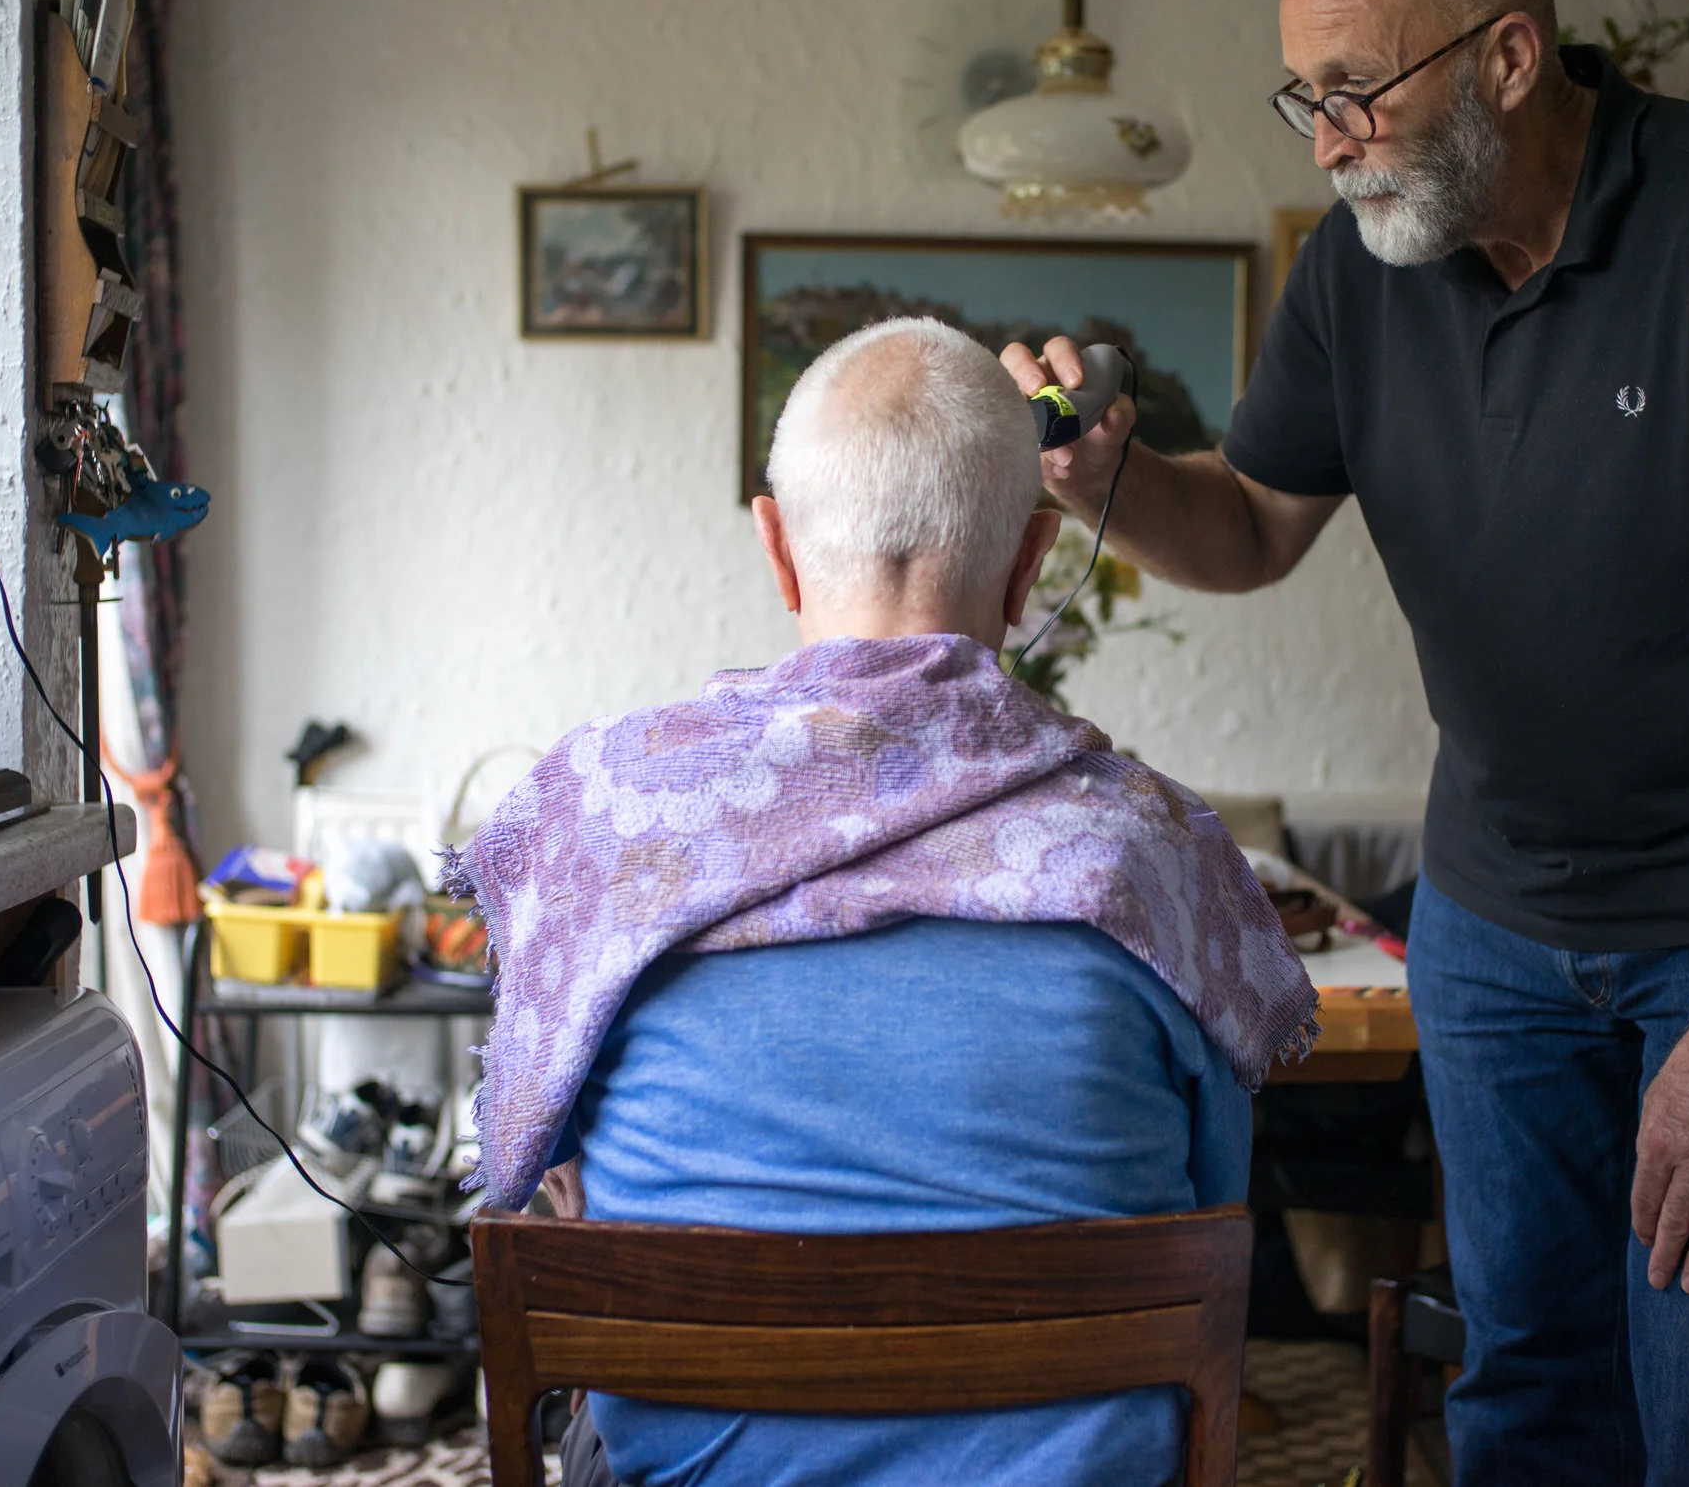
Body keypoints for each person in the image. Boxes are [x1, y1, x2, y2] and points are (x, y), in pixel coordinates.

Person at [1004, 0, 1689, 1486]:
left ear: (1510, 59)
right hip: (1496, 922)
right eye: (1307, 96)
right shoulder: (1366, 263)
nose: (1326, 139)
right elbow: (1243, 525)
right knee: (1522, 1393)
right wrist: (1108, 481)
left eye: (1357, 91)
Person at [447, 316, 1318, 1487]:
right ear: (1028, 565)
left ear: (778, 548)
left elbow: (543, 1158)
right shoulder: (1157, 853)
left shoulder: (598, 822)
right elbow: (1206, 1202)